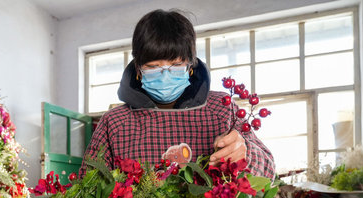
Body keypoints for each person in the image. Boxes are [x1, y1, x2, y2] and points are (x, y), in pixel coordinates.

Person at [80, 9, 275, 179]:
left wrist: (246, 154)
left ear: (191, 65)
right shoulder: (114, 123)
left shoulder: (222, 109)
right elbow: (84, 190)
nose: (165, 75)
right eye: (153, 67)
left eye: (176, 65)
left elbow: (267, 172)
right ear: (138, 69)